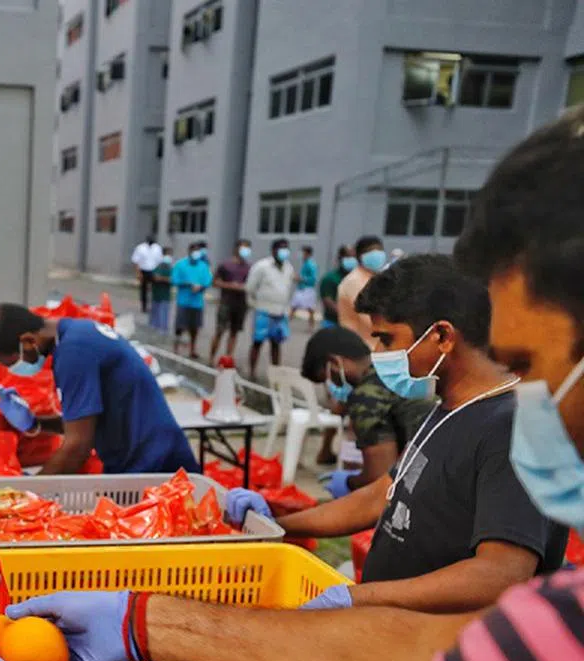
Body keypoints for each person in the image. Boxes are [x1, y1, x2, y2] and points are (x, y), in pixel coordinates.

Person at [0, 107, 584, 661]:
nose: (521, 390)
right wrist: (153, 616)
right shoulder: (543, 621)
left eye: (527, 362)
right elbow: (396, 521)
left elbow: (492, 588)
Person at [240, 255, 568, 611]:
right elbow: (381, 496)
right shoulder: (447, 408)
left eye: (386, 339)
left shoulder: (515, 428)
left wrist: (359, 597)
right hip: (397, 632)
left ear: (442, 336)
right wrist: (277, 525)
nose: (378, 353)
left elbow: (501, 574)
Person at [0, 303, 200, 475]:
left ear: (27, 341)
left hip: (155, 466)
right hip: (143, 458)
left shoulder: (73, 352)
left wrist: (27, 494)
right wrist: (34, 423)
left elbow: (77, 447)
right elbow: (84, 423)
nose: (16, 370)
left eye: (11, 363)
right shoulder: (76, 334)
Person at [300, 326, 435, 495]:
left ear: (335, 363)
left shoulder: (365, 396)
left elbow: (380, 479)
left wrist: (349, 482)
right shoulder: (394, 373)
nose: (332, 387)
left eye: (328, 378)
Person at [246, 238, 294, 376]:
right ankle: (252, 371)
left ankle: (276, 373)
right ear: (273, 250)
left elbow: (287, 288)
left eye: (286, 248)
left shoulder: (288, 267)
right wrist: (257, 304)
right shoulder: (262, 266)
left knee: (276, 344)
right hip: (263, 311)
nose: (284, 252)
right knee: (258, 342)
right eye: (281, 248)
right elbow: (250, 287)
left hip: (280, 312)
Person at [209, 239, 252, 364]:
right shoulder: (225, 265)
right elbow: (215, 282)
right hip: (226, 302)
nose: (245, 251)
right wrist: (229, 285)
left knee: (234, 332)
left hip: (241, 303)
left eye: (247, 249)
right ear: (236, 249)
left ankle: (227, 359)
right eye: (243, 248)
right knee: (220, 331)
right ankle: (212, 358)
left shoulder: (249, 267)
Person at [338, 235, 386, 345]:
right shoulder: (355, 281)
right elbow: (370, 318)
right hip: (360, 346)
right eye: (371, 251)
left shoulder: (373, 278)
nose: (377, 255)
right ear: (360, 256)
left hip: (372, 345)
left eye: (379, 250)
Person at [171, 240, 211, 358]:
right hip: (183, 300)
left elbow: (208, 280)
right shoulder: (180, 264)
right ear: (189, 251)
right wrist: (188, 284)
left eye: (198, 251)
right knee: (180, 326)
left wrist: (201, 287)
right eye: (194, 251)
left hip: (197, 302)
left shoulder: (203, 266)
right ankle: (176, 347)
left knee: (195, 327)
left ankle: (193, 349)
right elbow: (174, 280)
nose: (196, 253)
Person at [319, 245, 354, 329]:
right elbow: (328, 301)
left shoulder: (356, 278)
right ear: (340, 258)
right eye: (348, 257)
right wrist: (347, 316)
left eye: (354, 257)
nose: (352, 260)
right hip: (333, 324)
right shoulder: (330, 278)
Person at [290, 244, 319, 330]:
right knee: (294, 306)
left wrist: (301, 278)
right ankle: (286, 324)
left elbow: (313, 279)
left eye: (303, 252)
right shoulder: (306, 263)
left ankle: (311, 326)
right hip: (301, 288)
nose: (301, 254)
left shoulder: (311, 264)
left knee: (310, 309)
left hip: (307, 290)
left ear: (307, 253)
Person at [131, 235, 163, 313]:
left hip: (154, 271)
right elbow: (136, 261)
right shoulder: (140, 248)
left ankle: (154, 306)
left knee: (155, 290)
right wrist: (138, 273)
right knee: (144, 290)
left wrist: (158, 273)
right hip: (143, 271)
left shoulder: (157, 248)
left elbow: (160, 261)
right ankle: (144, 307)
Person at [148, 246, 174, 333]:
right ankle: (155, 327)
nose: (169, 256)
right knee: (156, 311)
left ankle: (162, 329)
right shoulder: (159, 266)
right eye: (168, 254)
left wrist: (163, 279)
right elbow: (155, 277)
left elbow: (173, 279)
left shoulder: (171, 267)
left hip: (165, 294)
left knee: (164, 312)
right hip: (157, 293)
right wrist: (166, 279)